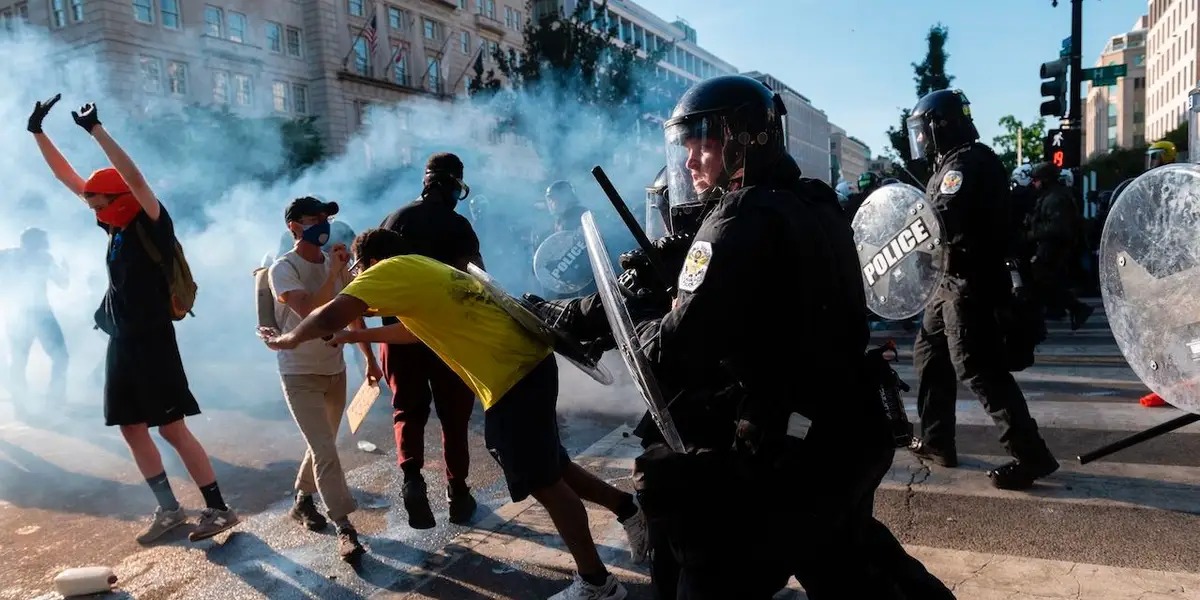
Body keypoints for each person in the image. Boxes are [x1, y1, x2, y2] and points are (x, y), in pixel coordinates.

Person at [533, 75, 950, 599]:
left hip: (783, 455)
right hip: (844, 430)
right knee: (853, 562)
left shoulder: (738, 220)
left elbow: (671, 353)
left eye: (701, 144)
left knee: (711, 576)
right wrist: (589, 307)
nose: (688, 163)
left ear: (742, 138)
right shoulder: (814, 202)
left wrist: (630, 318)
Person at [263, 227, 648, 600]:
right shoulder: (421, 269)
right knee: (552, 466)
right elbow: (414, 333)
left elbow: (330, 314)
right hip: (528, 366)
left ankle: (598, 583)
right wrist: (353, 337)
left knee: (544, 483)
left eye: (360, 271)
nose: (359, 280)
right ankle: (628, 508)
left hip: (510, 376)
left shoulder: (386, 271)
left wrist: (288, 339)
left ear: (372, 262)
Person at [28, 94, 239, 542]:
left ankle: (219, 509)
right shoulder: (116, 228)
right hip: (121, 340)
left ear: (119, 200)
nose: (92, 208)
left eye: (99, 201)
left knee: (172, 429)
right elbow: (72, 181)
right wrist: (38, 134)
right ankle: (170, 510)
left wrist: (97, 131)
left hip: (152, 341)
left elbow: (135, 179)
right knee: (130, 427)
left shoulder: (151, 224)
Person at [904, 89, 1059, 491]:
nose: (920, 140)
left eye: (923, 131)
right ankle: (938, 440)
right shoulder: (956, 162)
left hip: (969, 282)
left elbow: (942, 219)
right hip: (947, 284)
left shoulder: (966, 163)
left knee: (977, 367)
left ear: (941, 124)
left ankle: (1031, 454)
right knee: (929, 354)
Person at [266, 196, 380, 562]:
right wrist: (333, 275)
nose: (322, 223)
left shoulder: (336, 262)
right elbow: (310, 314)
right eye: (313, 218)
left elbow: (351, 312)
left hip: (335, 369)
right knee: (326, 451)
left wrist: (368, 359)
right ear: (294, 227)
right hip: (299, 372)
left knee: (324, 444)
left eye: (325, 217)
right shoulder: (283, 269)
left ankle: (302, 500)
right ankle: (345, 527)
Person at [377, 153, 483, 528]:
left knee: (407, 410)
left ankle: (412, 479)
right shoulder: (457, 225)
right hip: (446, 338)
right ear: (455, 186)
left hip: (398, 336)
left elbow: (371, 277)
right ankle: (458, 494)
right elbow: (476, 283)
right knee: (454, 418)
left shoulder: (393, 220)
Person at [1, 227, 69, 407]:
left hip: (18, 314)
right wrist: (65, 270)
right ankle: (52, 400)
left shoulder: (6, 256)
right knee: (60, 357)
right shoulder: (43, 259)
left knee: (19, 359)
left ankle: (21, 403)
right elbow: (63, 283)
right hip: (37, 314)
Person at [1026, 163, 1093, 329]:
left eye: (1037, 180)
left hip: (1055, 246)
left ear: (1046, 180)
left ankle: (1076, 308)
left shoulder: (1056, 198)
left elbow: (1057, 227)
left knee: (1042, 279)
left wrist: (1031, 233)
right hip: (1051, 245)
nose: (1034, 184)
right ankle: (1062, 309)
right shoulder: (1051, 196)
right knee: (1047, 280)